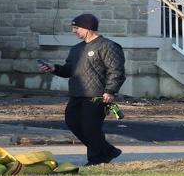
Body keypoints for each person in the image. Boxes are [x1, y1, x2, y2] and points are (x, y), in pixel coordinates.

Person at [39, 12, 125, 166]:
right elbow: (69, 70)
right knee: (72, 122)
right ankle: (108, 150)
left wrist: (110, 91)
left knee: (90, 128)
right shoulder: (76, 49)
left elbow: (116, 71)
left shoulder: (108, 46)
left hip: (97, 95)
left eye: (76, 28)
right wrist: (54, 68)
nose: (74, 31)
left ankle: (97, 160)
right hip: (77, 94)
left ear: (88, 28)